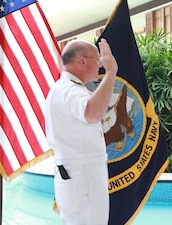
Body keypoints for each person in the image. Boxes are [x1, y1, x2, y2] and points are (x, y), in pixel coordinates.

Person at [44, 39, 118, 225]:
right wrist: (111, 72)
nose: (100, 64)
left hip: (78, 173)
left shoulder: (66, 89)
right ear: (82, 61)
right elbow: (92, 114)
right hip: (82, 174)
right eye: (97, 59)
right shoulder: (69, 91)